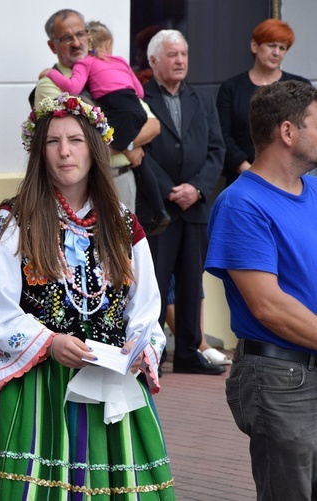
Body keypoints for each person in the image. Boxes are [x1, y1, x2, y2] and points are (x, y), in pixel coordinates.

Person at [0, 93, 173, 498]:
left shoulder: (123, 224)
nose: (65, 152)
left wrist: (143, 347)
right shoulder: (15, 218)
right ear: (39, 151)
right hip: (38, 385)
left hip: (108, 381)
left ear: (95, 147)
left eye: (75, 140)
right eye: (53, 142)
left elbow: (146, 307)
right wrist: (50, 344)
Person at [206, 80, 317, 500]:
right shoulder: (242, 204)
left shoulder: (315, 193)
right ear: (288, 132)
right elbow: (267, 305)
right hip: (281, 378)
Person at [140, 30, 225, 376]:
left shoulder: (202, 100)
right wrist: (168, 188)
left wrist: (198, 188)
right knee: (155, 283)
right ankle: (151, 354)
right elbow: (139, 151)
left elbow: (217, 149)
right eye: (172, 55)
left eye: (184, 54)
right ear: (154, 61)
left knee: (192, 282)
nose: (180, 61)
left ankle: (189, 352)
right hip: (160, 208)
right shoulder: (141, 99)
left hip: (195, 208)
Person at [40, 20, 170, 234]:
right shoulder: (51, 86)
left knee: (121, 249)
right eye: (66, 38)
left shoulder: (89, 65)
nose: (75, 43)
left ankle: (159, 211)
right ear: (53, 46)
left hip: (122, 178)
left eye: (80, 35)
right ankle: (160, 210)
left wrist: (125, 143)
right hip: (85, 182)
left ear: (88, 39)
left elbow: (154, 126)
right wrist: (129, 146)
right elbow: (76, 140)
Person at [216, 19, 310, 186]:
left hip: (291, 180)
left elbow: (309, 129)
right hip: (243, 179)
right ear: (254, 46)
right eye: (271, 45)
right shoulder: (231, 88)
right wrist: (250, 171)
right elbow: (222, 135)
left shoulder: (300, 87)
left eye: (282, 48)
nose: (277, 53)